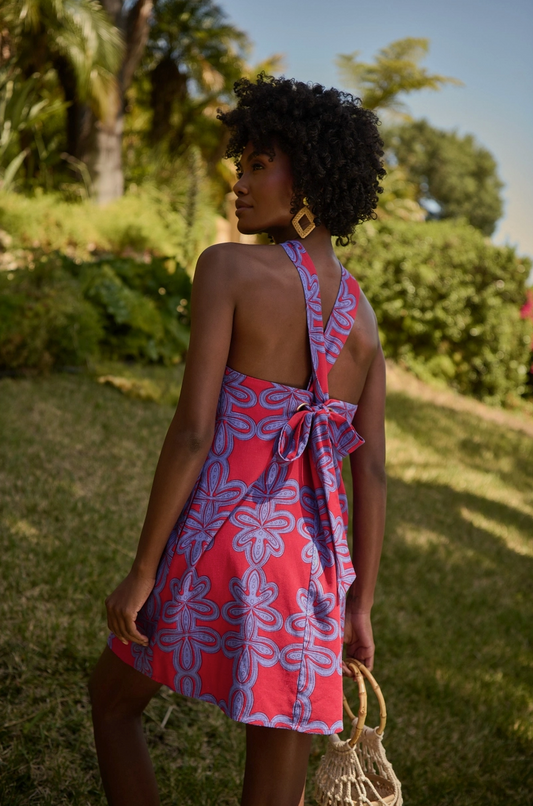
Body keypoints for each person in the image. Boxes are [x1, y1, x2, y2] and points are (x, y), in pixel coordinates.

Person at [89, 74, 387, 806]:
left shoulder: (226, 269)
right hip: (307, 572)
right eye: (240, 163)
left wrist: (142, 567)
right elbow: (372, 473)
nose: (239, 182)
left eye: (260, 165)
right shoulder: (366, 322)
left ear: (310, 181)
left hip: (215, 540)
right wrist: (359, 604)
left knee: (112, 702)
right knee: (274, 781)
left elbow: (194, 433)